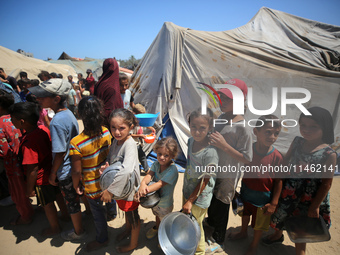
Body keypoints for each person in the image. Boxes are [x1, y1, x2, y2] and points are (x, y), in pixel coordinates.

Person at [263, 107, 337, 255]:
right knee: (281, 215)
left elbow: (326, 184)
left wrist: (315, 206)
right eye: (303, 125)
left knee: (301, 225)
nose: (306, 129)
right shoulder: (297, 141)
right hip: (290, 190)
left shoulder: (329, 154)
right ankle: (277, 235)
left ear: (325, 127)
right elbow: (286, 160)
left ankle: (300, 252)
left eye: (313, 126)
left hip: (309, 199)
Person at [28, 78, 86, 241]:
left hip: (66, 169)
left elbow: (59, 153)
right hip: (74, 165)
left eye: (42, 96)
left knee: (72, 203)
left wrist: (53, 173)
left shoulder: (56, 123)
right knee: (77, 196)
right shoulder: (68, 114)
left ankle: (79, 231)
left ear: (56, 99)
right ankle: (85, 218)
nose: (38, 99)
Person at [205, 78, 252, 250]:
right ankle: (210, 222)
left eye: (226, 99)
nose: (220, 101)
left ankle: (219, 238)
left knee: (222, 202)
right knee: (211, 198)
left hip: (229, 175)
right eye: (221, 97)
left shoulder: (243, 127)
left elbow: (247, 157)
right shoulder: (222, 118)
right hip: (215, 169)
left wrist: (224, 145)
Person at [228, 115, 283, 255]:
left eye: (276, 133)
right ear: (256, 131)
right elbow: (237, 169)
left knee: (259, 224)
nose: (272, 136)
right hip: (246, 193)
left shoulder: (277, 157)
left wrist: (274, 203)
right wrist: (233, 188)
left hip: (264, 199)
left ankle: (254, 244)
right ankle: (243, 232)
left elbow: (279, 181)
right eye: (268, 132)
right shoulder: (248, 151)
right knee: (245, 214)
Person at [9, 102, 62, 236]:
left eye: (12, 119)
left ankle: (55, 228)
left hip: (41, 180)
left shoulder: (29, 143)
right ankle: (66, 216)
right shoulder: (43, 129)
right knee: (58, 195)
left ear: (22, 122)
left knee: (47, 204)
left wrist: (29, 189)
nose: (11, 122)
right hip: (52, 172)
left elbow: (32, 169)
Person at [70, 96, 112, 251]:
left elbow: (76, 171)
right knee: (108, 201)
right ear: (100, 112)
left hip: (92, 185)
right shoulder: (107, 132)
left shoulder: (77, 143)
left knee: (97, 214)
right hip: (107, 181)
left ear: (80, 114)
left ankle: (102, 239)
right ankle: (112, 213)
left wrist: (76, 185)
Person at [100, 108, 140, 253]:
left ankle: (133, 244)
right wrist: (107, 167)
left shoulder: (129, 144)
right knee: (127, 212)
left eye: (122, 128)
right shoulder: (115, 141)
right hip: (120, 187)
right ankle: (127, 229)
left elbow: (127, 170)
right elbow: (113, 160)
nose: (117, 132)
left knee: (133, 215)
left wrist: (110, 191)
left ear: (131, 127)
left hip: (129, 189)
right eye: (113, 128)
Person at [183, 108, 219, 255]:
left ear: (210, 128)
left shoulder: (210, 153)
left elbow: (206, 179)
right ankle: (189, 243)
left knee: (196, 225)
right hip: (188, 191)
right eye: (194, 127)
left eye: (202, 128)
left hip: (199, 197)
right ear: (189, 124)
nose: (197, 132)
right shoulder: (190, 141)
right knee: (189, 221)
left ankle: (199, 251)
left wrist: (191, 200)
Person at [0, 90, 34, 225]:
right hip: (29, 159)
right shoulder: (20, 117)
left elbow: (3, 151)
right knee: (31, 186)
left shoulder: (1, 123)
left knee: (18, 192)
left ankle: (25, 217)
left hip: (14, 165)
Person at [134, 137, 179, 240]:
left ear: (172, 156)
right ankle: (157, 228)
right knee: (157, 216)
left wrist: (142, 192)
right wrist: (142, 184)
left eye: (166, 155)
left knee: (165, 220)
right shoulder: (156, 164)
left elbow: (159, 184)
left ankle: (165, 237)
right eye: (159, 154)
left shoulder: (172, 171)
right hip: (155, 201)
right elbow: (149, 175)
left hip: (165, 204)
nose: (162, 157)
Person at [94, 58, 123, 126]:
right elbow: (109, 110)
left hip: (100, 120)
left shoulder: (100, 83)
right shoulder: (112, 87)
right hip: (110, 125)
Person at [131, 103, 156, 172]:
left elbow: (145, 124)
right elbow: (129, 135)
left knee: (142, 156)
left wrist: (151, 128)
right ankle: (139, 170)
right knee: (136, 158)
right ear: (134, 113)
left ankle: (146, 170)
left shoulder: (139, 119)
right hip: (133, 143)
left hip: (138, 143)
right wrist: (140, 136)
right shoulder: (131, 123)